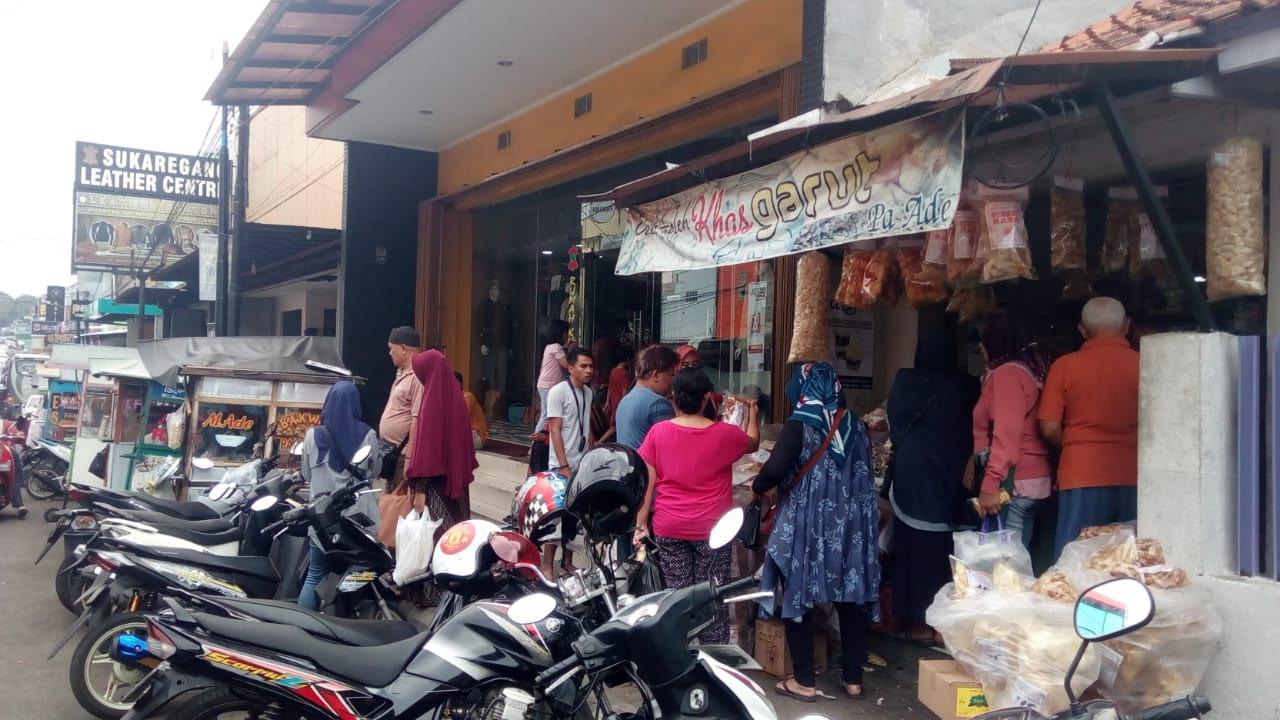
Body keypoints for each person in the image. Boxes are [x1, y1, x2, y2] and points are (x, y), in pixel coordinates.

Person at [753, 362, 879, 701]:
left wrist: (759, 486)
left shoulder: (800, 424)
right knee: (850, 596)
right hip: (850, 525)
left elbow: (775, 469)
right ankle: (853, 679)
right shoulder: (856, 425)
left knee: (799, 593)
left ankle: (805, 680)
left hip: (808, 523)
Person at [635, 369, 758, 644]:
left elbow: (648, 483)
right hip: (713, 530)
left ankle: (678, 655)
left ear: (674, 399)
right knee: (711, 595)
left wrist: (640, 524)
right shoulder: (725, 434)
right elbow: (753, 442)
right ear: (706, 399)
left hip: (670, 526)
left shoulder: (659, 432)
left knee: (677, 596)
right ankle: (712, 657)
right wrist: (753, 415)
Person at [886, 329, 979, 643]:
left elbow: (894, 422)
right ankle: (944, 625)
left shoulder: (904, 382)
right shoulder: (965, 387)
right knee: (948, 551)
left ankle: (916, 622)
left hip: (912, 474)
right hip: (952, 474)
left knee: (911, 550)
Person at [1039, 298, 1140, 558]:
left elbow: (1050, 428)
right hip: (1135, 472)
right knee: (1127, 556)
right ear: (1126, 326)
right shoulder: (1145, 363)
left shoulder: (1065, 366)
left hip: (1081, 472)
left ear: (1082, 330)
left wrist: (1075, 447)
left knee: (1075, 557)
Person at [971, 311, 1052, 550]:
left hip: (1013, 484)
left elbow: (1006, 434)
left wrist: (989, 485)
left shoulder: (1009, 375)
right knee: (1017, 560)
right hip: (1031, 480)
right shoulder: (1029, 371)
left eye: (986, 337)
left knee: (1007, 567)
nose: (980, 344)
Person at [299, 382, 381, 610]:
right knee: (355, 574)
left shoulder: (311, 436)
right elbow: (373, 473)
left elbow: (306, 473)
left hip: (322, 521)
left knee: (315, 574)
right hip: (357, 522)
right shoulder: (368, 434)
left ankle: (302, 626)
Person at [407, 349, 478, 605]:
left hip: (436, 485)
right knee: (456, 537)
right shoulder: (456, 397)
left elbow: (427, 449)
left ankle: (434, 593)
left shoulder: (434, 399)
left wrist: (420, 489)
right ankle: (456, 590)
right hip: (456, 483)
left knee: (437, 538)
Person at [379, 326, 423, 489]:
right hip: (391, 452)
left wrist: (410, 460)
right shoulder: (402, 372)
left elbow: (417, 420)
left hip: (403, 454)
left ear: (403, 349)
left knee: (397, 507)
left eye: (392, 349)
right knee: (390, 503)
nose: (390, 353)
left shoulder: (417, 376)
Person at [614, 345, 678, 450]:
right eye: (671, 375)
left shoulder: (625, 401)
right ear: (656, 375)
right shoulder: (658, 403)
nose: (672, 381)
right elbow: (670, 449)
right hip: (646, 466)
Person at [546, 347, 595, 475]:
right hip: (561, 466)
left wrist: (593, 454)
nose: (589, 371)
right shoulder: (558, 392)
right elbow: (555, 430)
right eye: (583, 366)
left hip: (583, 464)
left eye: (591, 366)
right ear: (571, 368)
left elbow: (587, 425)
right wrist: (564, 466)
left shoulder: (588, 393)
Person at [535, 320, 572, 434]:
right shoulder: (556, 347)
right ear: (561, 333)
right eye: (566, 333)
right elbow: (566, 365)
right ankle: (534, 446)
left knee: (547, 414)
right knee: (546, 415)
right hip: (549, 386)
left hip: (544, 384)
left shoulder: (548, 347)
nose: (567, 336)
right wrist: (572, 350)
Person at [596, 344, 633, 444]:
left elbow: (610, 389)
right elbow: (625, 391)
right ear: (627, 359)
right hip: (621, 404)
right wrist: (626, 405)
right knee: (614, 427)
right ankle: (599, 442)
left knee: (615, 426)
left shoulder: (613, 371)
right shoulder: (624, 373)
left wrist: (608, 402)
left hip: (614, 403)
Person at [455, 371, 490, 450]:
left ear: (459, 383)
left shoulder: (467, 396)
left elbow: (461, 417)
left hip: (477, 436)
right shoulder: (452, 398)